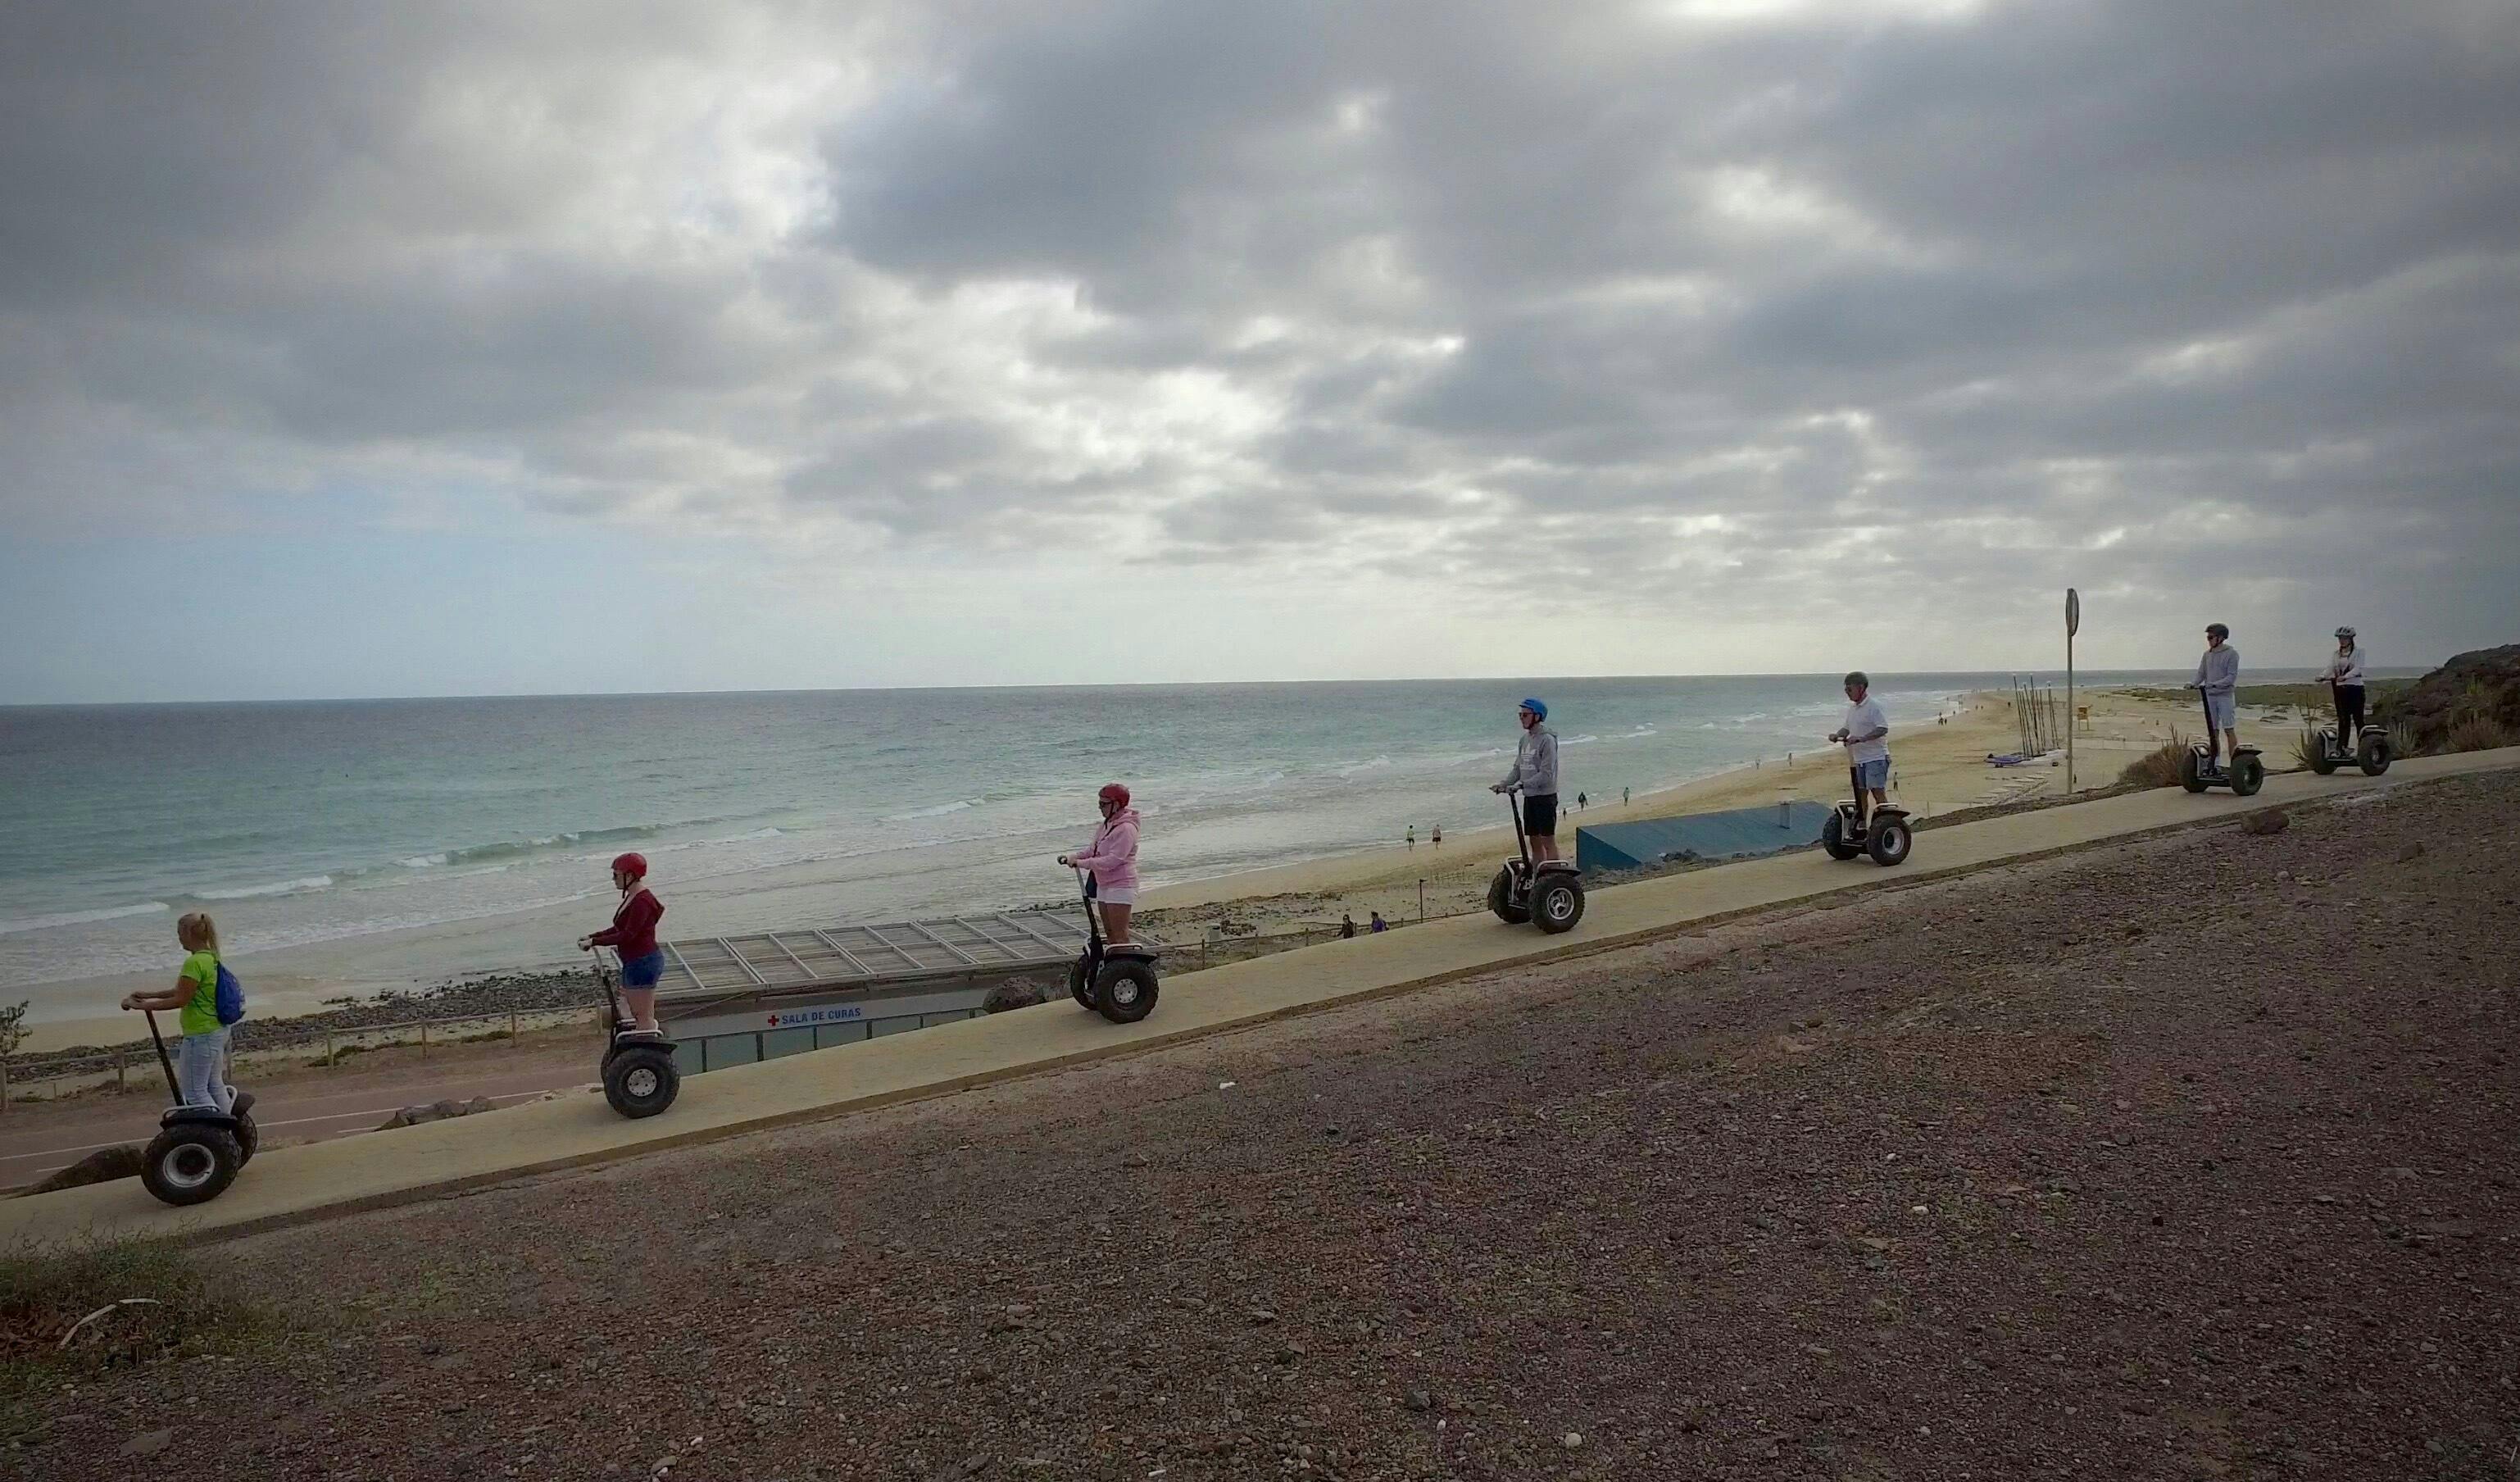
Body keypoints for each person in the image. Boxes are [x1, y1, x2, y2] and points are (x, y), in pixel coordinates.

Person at [120, 911, 235, 1112]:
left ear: (189, 933)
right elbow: (184, 991)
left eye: (179, 933)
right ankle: (229, 1131)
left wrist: (142, 1006)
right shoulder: (211, 958)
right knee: (214, 1084)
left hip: (201, 1034)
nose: (178, 938)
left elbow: (181, 999)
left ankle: (215, 1135)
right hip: (216, 1030)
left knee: (195, 1092)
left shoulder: (194, 963)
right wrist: (149, 996)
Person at [581, 853, 666, 1032]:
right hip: (636, 961)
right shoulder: (633, 898)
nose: (613, 879)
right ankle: (644, 1042)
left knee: (642, 1015)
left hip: (643, 962)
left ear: (630, 875)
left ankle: (645, 1050)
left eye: (616, 875)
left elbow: (628, 935)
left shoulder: (642, 902)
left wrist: (596, 941)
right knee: (638, 1013)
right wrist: (593, 937)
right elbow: (618, 928)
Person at [1059, 783, 1141, 946]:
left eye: (1103, 804)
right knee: (1109, 932)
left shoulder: (1126, 829)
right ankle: (1113, 967)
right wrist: (1074, 856)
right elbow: (1093, 850)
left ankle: (1124, 968)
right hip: (1103, 884)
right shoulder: (1106, 825)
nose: (1100, 808)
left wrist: (1082, 863)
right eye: (1099, 804)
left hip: (1121, 885)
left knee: (1120, 934)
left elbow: (1113, 860)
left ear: (1116, 805)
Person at [1492, 698, 1562, 865]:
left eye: (1525, 715)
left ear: (1537, 716)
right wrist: (1504, 784)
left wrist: (1522, 784)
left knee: (1547, 841)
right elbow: (1518, 768)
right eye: (1520, 715)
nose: (1521, 718)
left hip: (1545, 797)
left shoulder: (1548, 740)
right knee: (1533, 841)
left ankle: (1553, 875)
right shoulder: (1524, 740)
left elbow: (1546, 774)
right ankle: (1538, 876)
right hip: (1530, 797)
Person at [1827, 671, 1891, 823]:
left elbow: (1883, 728)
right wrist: (1836, 735)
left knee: (1877, 792)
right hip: (1859, 760)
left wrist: (1862, 739)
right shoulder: (1853, 709)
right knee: (1860, 794)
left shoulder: (1874, 706)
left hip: (1875, 758)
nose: (1847, 694)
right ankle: (1861, 825)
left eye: (1850, 690)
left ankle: (1886, 823)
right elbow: (1847, 729)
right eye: (1845, 690)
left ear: (1861, 688)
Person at [2188, 622, 2241, 765]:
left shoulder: (2231, 654)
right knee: (2213, 731)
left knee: (2229, 729)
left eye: (2211, 637)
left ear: (2221, 638)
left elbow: (2231, 676)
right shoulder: (2207, 655)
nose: (2209, 640)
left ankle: (2234, 763)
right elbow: (2202, 673)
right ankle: (2215, 762)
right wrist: (2194, 684)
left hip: (2225, 695)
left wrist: (2216, 683)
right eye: (2208, 638)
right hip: (2210, 696)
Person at [2318, 625, 2368, 743]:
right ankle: (2342, 747)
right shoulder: (2336, 654)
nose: (2342, 641)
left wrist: (2345, 677)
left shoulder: (2359, 652)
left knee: (2358, 718)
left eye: (2345, 638)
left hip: (2355, 688)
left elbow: (2358, 668)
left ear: (2350, 639)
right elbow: (2330, 667)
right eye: (2340, 638)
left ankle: (2364, 746)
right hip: (2340, 689)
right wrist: (2322, 676)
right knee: (2343, 719)